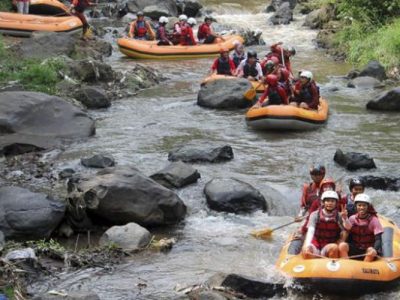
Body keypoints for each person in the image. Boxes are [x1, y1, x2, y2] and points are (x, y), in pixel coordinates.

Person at [302, 190, 348, 259]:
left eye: (332, 201)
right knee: (307, 251)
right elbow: (311, 230)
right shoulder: (315, 215)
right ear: (323, 202)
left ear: (336, 203)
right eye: (327, 201)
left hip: (329, 246)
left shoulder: (338, 216)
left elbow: (345, 231)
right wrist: (307, 244)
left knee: (334, 247)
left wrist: (341, 240)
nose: (330, 203)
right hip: (316, 244)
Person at [339, 194, 383, 262]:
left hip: (367, 250)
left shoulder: (374, 220)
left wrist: (375, 249)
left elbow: (378, 239)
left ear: (368, 207)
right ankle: (346, 265)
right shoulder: (352, 218)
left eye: (364, 205)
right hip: (356, 248)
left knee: (371, 251)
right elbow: (348, 228)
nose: (361, 207)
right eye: (359, 205)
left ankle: (364, 268)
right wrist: (345, 218)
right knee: (342, 246)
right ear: (356, 206)